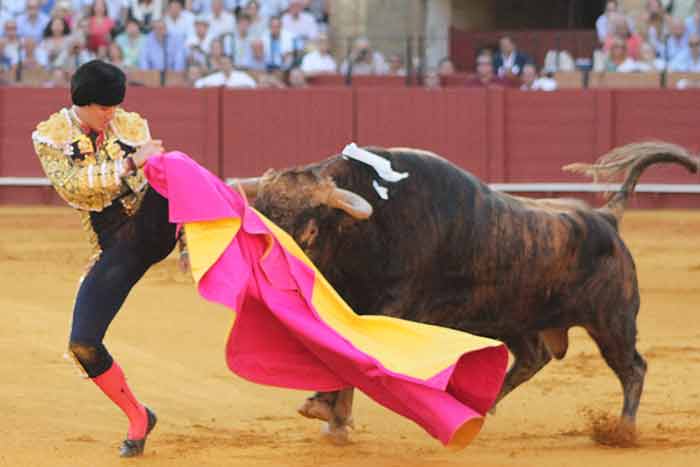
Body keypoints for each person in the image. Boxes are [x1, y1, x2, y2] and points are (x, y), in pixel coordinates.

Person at [31, 60, 186, 458]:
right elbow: (73, 188)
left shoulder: (131, 124)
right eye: (104, 108)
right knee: (82, 344)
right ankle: (138, 416)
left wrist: (183, 232)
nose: (112, 114)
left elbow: (158, 176)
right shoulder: (50, 137)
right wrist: (132, 162)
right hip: (117, 244)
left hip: (154, 224)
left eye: (115, 106)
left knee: (174, 165)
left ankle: (201, 232)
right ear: (81, 104)